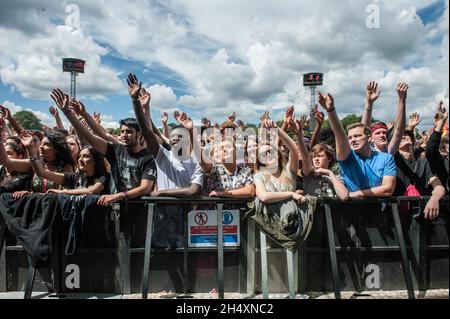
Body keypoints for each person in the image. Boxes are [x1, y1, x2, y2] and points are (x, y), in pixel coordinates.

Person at [50, 88, 156, 205]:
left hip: (139, 210)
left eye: (129, 132)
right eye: (122, 132)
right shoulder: (116, 150)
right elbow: (90, 136)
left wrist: (120, 195)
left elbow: (145, 188)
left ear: (139, 134)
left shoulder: (148, 158)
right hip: (115, 208)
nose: (124, 135)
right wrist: (68, 113)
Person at [127, 73, 203, 197]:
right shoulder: (162, 155)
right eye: (173, 136)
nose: (175, 139)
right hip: (160, 214)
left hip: (186, 214)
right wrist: (136, 101)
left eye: (180, 136)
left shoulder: (196, 163)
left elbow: (193, 190)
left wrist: (161, 193)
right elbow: (147, 132)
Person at [317, 91, 396, 197]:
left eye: (357, 136)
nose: (353, 140)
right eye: (350, 137)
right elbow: (340, 136)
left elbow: (388, 190)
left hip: (380, 211)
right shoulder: (348, 157)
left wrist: (358, 194)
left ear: (369, 138)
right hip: (351, 210)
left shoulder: (386, 158)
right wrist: (330, 110)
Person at [0, 125, 75, 198]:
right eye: (41, 143)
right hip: (34, 205)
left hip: (53, 207)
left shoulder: (65, 167)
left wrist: (33, 195)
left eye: (46, 144)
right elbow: (6, 161)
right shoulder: (35, 163)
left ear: (56, 149)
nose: (41, 147)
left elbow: (63, 195)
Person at [24, 136, 110, 195]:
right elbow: (42, 173)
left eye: (86, 156)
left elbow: (91, 191)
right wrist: (29, 149)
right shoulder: (75, 177)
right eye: (80, 156)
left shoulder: (103, 177)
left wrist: (64, 192)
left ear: (96, 160)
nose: (80, 159)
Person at [292, 115, 349, 201]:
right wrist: (299, 136)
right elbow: (306, 157)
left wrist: (329, 173)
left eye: (320, 156)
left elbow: (344, 196)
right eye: (314, 156)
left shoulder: (336, 177)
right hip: (313, 213)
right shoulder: (309, 173)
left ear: (329, 158)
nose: (316, 159)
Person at [361, 82, 408, 155]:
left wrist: (402, 100)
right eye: (377, 133)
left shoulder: (389, 151)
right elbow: (364, 130)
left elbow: (399, 131)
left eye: (384, 132)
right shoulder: (368, 152)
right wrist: (369, 103)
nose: (382, 135)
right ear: (371, 138)